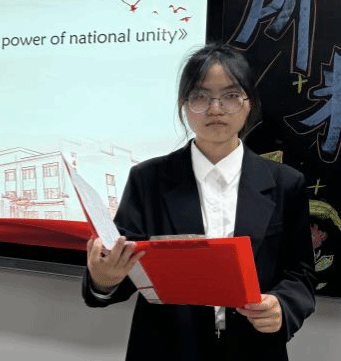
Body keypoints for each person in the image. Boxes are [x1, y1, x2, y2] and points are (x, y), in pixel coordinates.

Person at [82, 43, 316, 361]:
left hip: (253, 350)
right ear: (184, 105)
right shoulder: (148, 179)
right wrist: (104, 279)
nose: (215, 109)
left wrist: (282, 307)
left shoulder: (286, 183)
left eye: (231, 95)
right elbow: (126, 268)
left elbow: (301, 274)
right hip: (166, 348)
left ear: (249, 103)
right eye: (200, 97)